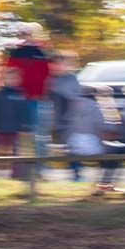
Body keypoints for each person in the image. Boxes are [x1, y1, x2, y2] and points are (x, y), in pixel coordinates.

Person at [3, 22, 52, 161]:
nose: (24, 37)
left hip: (38, 100)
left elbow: (47, 75)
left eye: (26, 34)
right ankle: (18, 165)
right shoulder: (17, 52)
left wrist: (43, 94)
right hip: (20, 99)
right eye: (22, 34)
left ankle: (40, 166)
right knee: (19, 133)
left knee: (39, 134)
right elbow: (11, 73)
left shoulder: (42, 52)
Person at [48, 51, 84, 180]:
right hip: (51, 119)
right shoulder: (48, 80)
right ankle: (40, 174)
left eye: (60, 63)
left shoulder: (70, 79)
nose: (57, 67)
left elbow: (75, 97)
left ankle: (77, 173)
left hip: (69, 120)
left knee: (72, 147)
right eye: (54, 64)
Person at [0, 67, 28, 157]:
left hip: (15, 130)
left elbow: (24, 113)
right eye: (8, 78)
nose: (11, 80)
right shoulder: (0, 94)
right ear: (4, 79)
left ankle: (15, 170)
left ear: (19, 79)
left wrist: (24, 128)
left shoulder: (21, 94)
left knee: (14, 152)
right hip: (1, 130)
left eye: (14, 78)